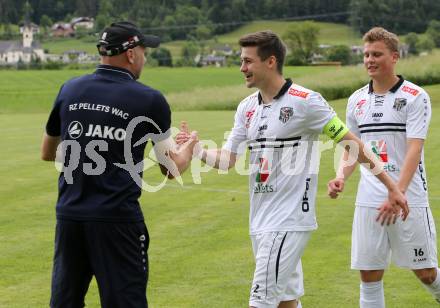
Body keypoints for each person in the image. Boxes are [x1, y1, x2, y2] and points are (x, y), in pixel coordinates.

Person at [177, 30, 408, 308]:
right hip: (260, 221)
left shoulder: (306, 101)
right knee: (286, 302)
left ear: (270, 62)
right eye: (242, 61)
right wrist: (197, 148)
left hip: (289, 221)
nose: (242, 68)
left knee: (261, 301)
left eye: (248, 61)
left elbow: (353, 144)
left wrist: (392, 187)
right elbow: (228, 158)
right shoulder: (246, 108)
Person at [41, 21, 197, 308]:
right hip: (117, 220)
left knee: (64, 302)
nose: (145, 58)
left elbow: (48, 152)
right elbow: (170, 168)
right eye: (144, 51)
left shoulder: (70, 89)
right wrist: (189, 148)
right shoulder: (149, 99)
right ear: (131, 53)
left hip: (70, 217)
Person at [328, 27, 439, 307]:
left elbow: (415, 148)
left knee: (425, 272)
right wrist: (341, 176)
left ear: (394, 56)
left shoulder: (415, 96)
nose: (369, 60)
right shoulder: (356, 100)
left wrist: (397, 192)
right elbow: (353, 148)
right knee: (369, 273)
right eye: (366, 54)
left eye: (376, 54)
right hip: (369, 200)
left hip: (408, 197)